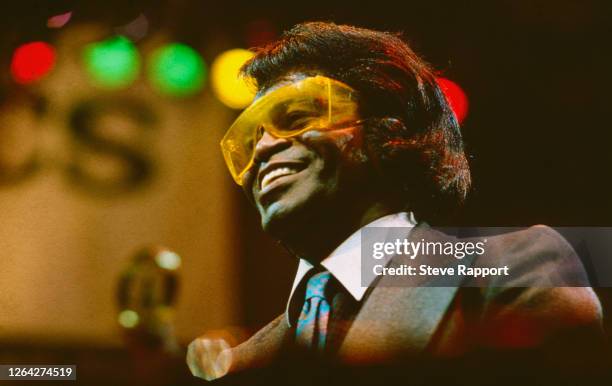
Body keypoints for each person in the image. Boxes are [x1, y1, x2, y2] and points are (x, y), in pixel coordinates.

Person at [187, 22, 603, 384]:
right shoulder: (242, 364)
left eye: (296, 118)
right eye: (247, 140)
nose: (262, 149)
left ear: (389, 130)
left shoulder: (510, 266)